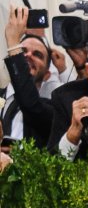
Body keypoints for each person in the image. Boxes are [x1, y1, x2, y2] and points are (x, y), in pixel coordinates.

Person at [3, 8, 57, 146]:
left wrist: (13, 43)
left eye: (37, 55)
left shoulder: (52, 110)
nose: (28, 56)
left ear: (47, 75)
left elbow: (30, 104)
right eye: (23, 51)